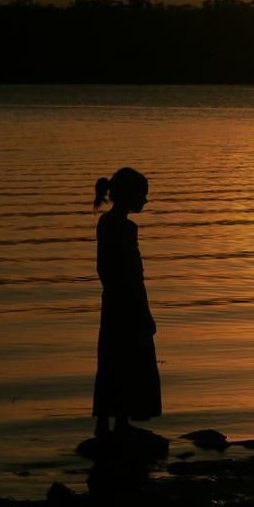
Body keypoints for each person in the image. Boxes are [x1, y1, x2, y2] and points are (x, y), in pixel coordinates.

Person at [92, 167, 161, 438]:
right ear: (131, 196)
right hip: (128, 303)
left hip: (112, 302)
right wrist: (144, 312)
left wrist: (113, 293)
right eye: (143, 195)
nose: (145, 201)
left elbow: (105, 270)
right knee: (130, 361)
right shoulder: (125, 227)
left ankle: (106, 422)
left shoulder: (106, 223)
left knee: (111, 361)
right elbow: (134, 276)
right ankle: (120, 421)